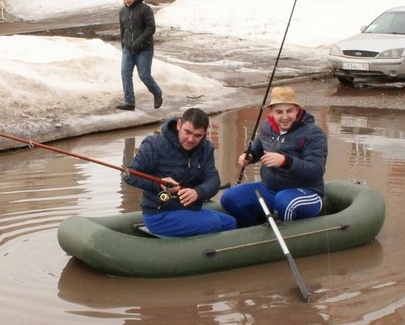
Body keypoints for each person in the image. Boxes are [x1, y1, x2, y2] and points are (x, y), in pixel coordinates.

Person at [220, 86, 327, 227]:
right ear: (271, 113)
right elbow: (258, 148)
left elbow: (316, 170)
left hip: (304, 192)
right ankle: (255, 230)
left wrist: (285, 161)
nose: (284, 117)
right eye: (279, 112)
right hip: (269, 189)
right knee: (229, 197)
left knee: (284, 202)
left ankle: (287, 236)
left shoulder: (313, 133)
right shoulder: (266, 127)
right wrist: (250, 156)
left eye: (289, 111)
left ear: (297, 110)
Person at [122, 108, 237, 237]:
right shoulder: (154, 144)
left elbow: (213, 180)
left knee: (230, 223)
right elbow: (129, 175)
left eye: (197, 135)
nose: (190, 139)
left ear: (205, 134)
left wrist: (198, 192)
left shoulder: (206, 149)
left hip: (189, 210)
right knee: (213, 222)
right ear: (179, 125)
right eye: (187, 132)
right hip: (159, 214)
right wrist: (159, 184)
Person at [117, 0, 163, 111]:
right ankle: (129, 102)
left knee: (144, 75)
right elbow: (123, 29)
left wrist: (139, 41)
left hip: (144, 49)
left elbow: (151, 28)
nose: (126, 1)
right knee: (125, 74)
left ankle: (157, 93)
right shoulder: (122, 11)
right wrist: (123, 44)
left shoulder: (145, 9)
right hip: (128, 49)